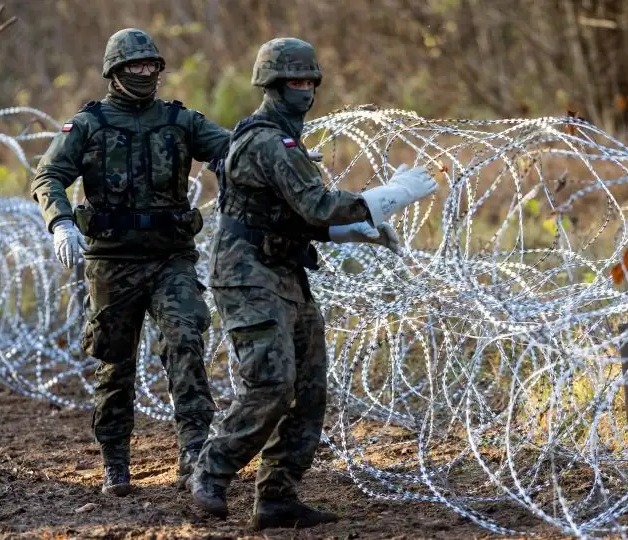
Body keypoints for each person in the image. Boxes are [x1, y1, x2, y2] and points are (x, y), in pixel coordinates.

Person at [186, 37, 439, 529]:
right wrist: (386, 196)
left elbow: (299, 215)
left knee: (308, 389)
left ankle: (278, 497)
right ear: (272, 86)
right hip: (247, 276)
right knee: (272, 383)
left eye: (308, 82)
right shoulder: (266, 141)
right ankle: (211, 470)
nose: (302, 90)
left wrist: (355, 230)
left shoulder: (286, 141)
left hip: (284, 272)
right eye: (292, 82)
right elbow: (317, 206)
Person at [30, 28, 231, 497]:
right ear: (115, 72)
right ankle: (115, 462)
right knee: (114, 364)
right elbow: (49, 173)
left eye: (150, 66)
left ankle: (195, 454)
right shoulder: (89, 124)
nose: (144, 74)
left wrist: (272, 160)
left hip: (170, 258)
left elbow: (229, 149)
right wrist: (60, 222)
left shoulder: (180, 120)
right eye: (135, 67)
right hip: (111, 263)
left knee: (185, 341)